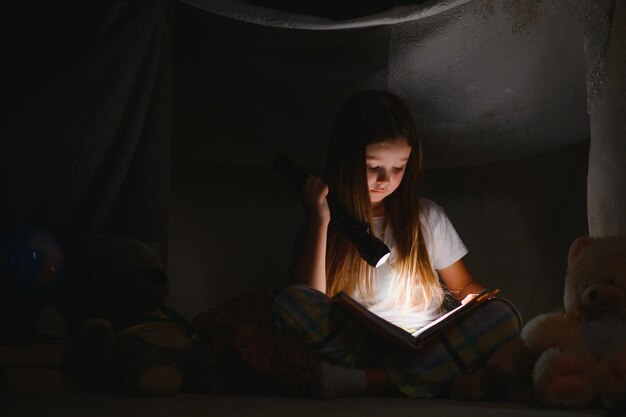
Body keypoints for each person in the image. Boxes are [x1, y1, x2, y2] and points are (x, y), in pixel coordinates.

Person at [272, 90, 520, 399]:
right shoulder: (322, 225)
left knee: (504, 315)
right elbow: (306, 300)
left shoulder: (425, 216)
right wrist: (320, 220)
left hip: (424, 343)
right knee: (289, 304)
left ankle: (376, 381)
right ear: (347, 161)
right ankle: (409, 376)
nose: (385, 179)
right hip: (359, 348)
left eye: (398, 168)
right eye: (373, 166)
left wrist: (477, 306)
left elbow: (464, 284)